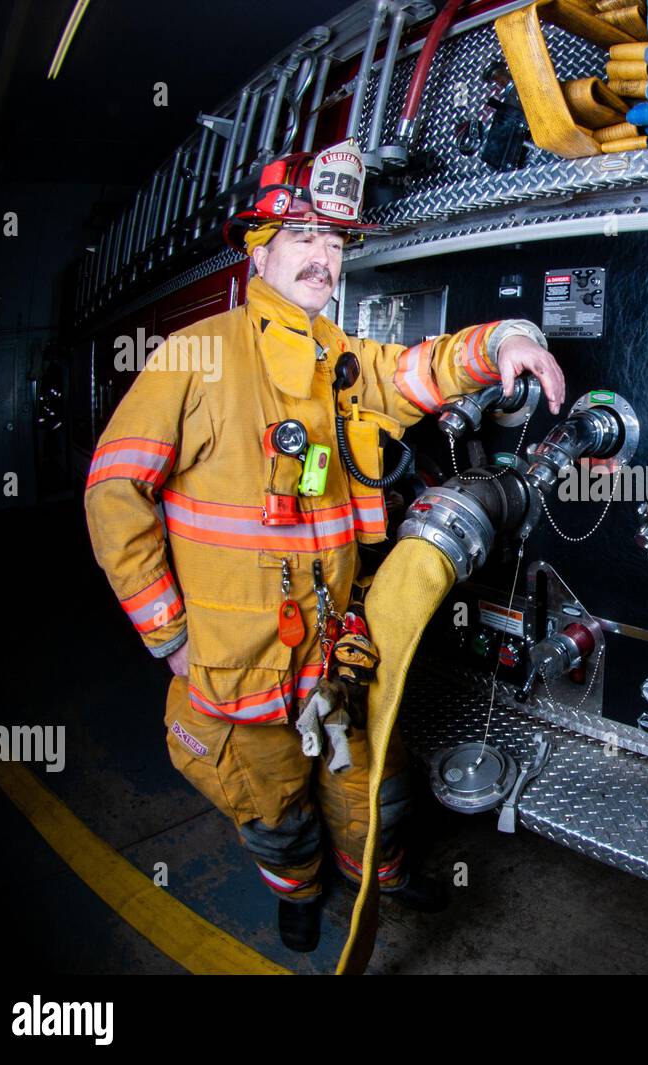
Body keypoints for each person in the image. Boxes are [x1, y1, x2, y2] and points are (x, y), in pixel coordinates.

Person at [83, 139, 565, 952]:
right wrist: (168, 632)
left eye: (336, 243)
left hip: (342, 657)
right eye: (303, 237)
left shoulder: (337, 360)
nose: (324, 257)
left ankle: (384, 872)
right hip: (240, 665)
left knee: (374, 790)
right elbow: (112, 490)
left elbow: (422, 369)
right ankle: (298, 892)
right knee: (272, 808)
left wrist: (503, 342)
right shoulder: (196, 358)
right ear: (258, 251)